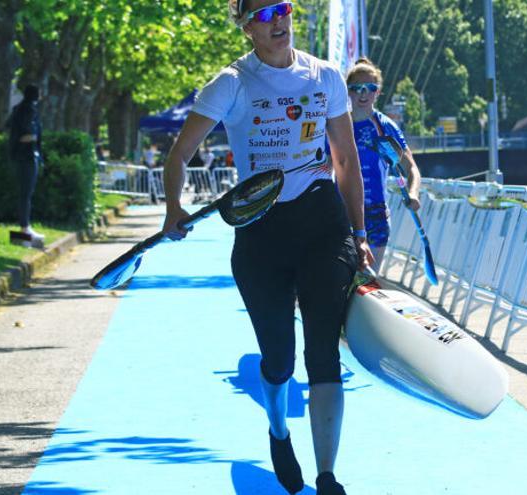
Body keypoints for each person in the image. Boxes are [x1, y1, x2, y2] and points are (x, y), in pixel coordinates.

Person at [160, 2, 372, 493]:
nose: (278, 20)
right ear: (244, 26)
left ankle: (327, 476)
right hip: (261, 233)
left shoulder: (325, 76)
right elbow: (180, 154)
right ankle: (278, 430)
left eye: (284, 7)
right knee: (279, 359)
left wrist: (359, 235)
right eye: (263, 13)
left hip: (323, 224)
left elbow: (346, 160)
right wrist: (173, 206)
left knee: (323, 355)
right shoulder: (231, 83)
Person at [333, 57, 422, 270]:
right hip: (341, 213)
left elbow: (411, 168)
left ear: (377, 92)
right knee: (341, 277)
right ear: (348, 91)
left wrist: (413, 193)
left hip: (375, 214)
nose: (363, 94)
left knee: (368, 277)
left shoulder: (384, 127)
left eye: (370, 88)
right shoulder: (337, 125)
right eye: (357, 88)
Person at [7, 84, 44, 243]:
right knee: (26, 193)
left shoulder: (18, 109)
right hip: (27, 156)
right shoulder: (28, 110)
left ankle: (25, 225)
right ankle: (25, 226)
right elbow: (30, 133)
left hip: (22, 156)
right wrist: (32, 136)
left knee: (25, 193)